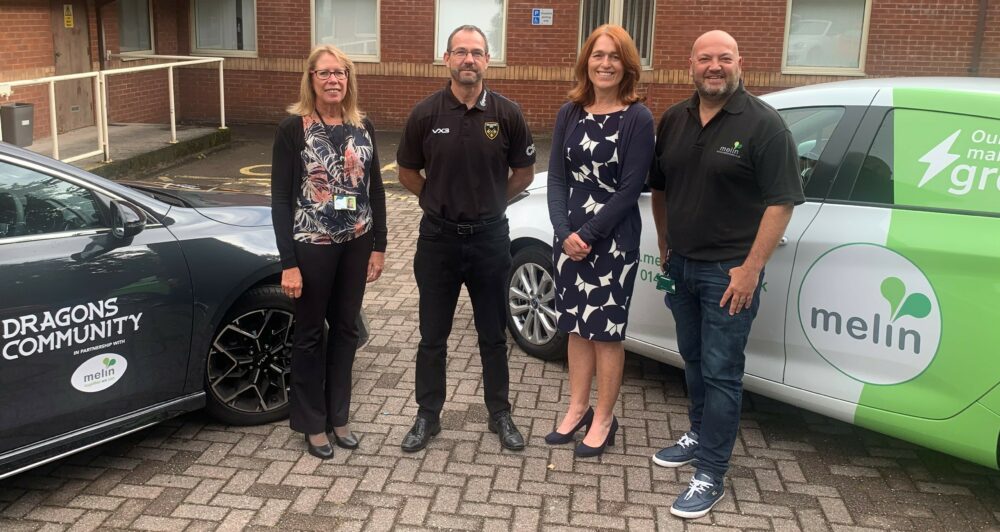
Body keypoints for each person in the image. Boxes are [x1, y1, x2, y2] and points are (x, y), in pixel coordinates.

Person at [648, 30, 803, 518]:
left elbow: (781, 204)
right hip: (683, 267)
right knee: (691, 360)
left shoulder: (764, 125)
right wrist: (665, 242)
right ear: (690, 64)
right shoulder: (674, 119)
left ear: (740, 63)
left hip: (728, 275)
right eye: (705, 59)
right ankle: (698, 434)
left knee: (721, 373)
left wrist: (750, 270)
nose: (714, 66)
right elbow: (661, 188)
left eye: (724, 58)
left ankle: (711, 471)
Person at [396, 25, 536, 453]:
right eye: (461, 52)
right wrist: (436, 201)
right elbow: (406, 172)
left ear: (487, 61)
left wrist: (493, 204)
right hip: (438, 240)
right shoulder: (424, 114)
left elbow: (524, 173)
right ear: (447, 59)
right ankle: (427, 416)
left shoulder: (508, 114)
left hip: (490, 241)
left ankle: (500, 413)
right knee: (432, 336)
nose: (468, 60)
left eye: (476, 52)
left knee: (493, 333)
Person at [270, 44, 387, 460]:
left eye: (340, 73)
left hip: (357, 242)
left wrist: (380, 246)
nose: (334, 80)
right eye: (325, 73)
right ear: (311, 79)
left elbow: (374, 190)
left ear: (349, 79)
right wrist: (289, 264)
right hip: (312, 247)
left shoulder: (363, 124)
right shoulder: (293, 128)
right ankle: (311, 423)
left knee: (347, 331)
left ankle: (339, 417)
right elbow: (280, 200)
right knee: (308, 336)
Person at [544, 24, 653, 458]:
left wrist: (586, 234)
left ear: (627, 66)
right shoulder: (570, 112)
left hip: (612, 239)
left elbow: (630, 190)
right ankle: (577, 408)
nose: (604, 64)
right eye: (597, 55)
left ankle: (605, 417)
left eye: (614, 57)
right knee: (573, 326)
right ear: (585, 61)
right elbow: (556, 177)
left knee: (605, 333)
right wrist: (562, 231)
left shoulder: (637, 118)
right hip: (569, 236)